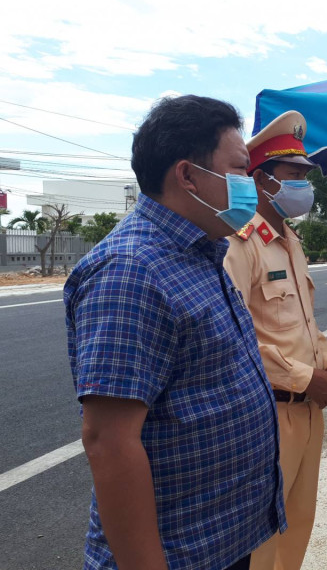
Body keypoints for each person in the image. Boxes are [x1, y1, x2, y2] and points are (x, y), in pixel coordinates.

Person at [64, 95, 286, 570]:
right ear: (188, 175)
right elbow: (109, 441)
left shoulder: (200, 253)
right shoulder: (131, 271)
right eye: (241, 170)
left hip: (221, 541)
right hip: (179, 554)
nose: (251, 186)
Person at [223, 110, 327, 570]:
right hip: (268, 414)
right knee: (262, 538)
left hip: (308, 410)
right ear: (260, 180)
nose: (304, 186)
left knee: (297, 526)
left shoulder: (289, 240)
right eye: (293, 175)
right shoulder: (239, 244)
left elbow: (304, 321)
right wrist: (303, 377)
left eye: (305, 176)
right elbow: (232, 338)